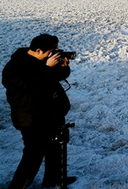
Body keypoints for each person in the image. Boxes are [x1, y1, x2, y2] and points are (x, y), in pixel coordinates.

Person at [2, 34, 75, 188]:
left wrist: (63, 67)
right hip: (30, 118)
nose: (54, 53)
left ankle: (54, 179)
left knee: (55, 148)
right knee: (33, 155)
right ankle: (17, 186)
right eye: (51, 50)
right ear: (39, 50)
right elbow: (28, 86)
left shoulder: (43, 61)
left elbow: (57, 77)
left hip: (51, 113)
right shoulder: (15, 67)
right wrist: (46, 68)